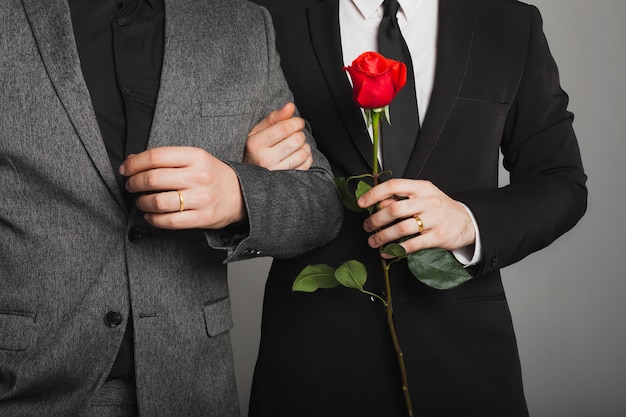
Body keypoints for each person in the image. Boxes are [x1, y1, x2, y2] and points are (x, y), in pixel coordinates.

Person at [0, 0, 342, 416]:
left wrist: (239, 192)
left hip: (192, 391)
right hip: (22, 388)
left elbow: (321, 204)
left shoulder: (243, 24)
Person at [248, 0, 588, 416]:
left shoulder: (510, 23)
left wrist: (468, 222)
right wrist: (249, 176)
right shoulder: (267, 18)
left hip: (466, 363)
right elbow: (218, 174)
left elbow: (560, 180)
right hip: (312, 362)